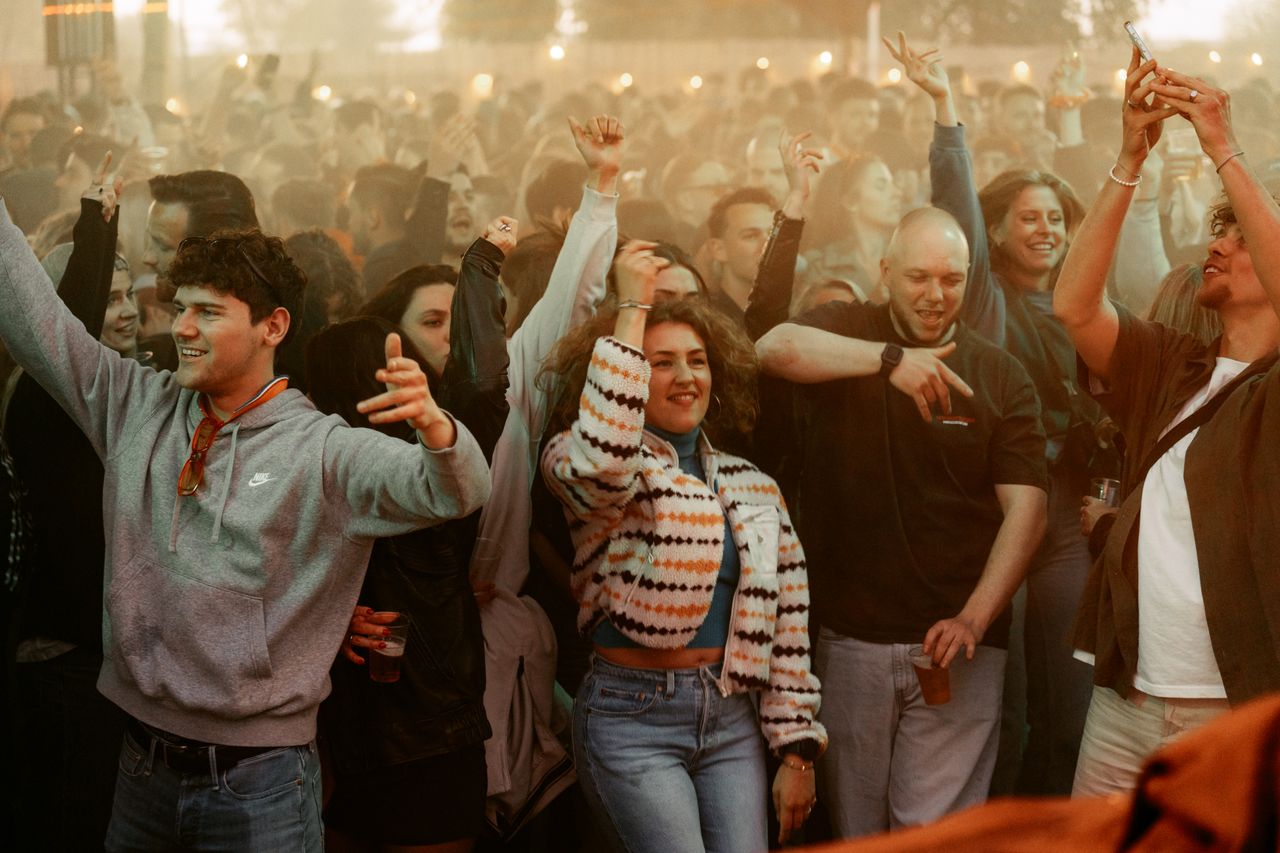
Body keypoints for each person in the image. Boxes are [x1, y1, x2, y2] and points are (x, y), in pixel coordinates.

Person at [0, 176, 491, 848]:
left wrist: (437, 429)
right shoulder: (134, 403)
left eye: (208, 312)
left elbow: (454, 492)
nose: (183, 327)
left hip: (260, 785)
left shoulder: (323, 450)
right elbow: (36, 323)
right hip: (139, 767)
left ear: (272, 326)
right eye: (181, 307)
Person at [756, 206, 1048, 838]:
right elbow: (771, 348)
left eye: (951, 279)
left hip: (957, 648)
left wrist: (976, 617)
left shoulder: (1000, 374)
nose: (935, 294)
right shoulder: (848, 330)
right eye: (918, 277)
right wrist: (891, 360)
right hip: (850, 638)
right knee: (857, 833)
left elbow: (1027, 510)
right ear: (885, 271)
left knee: (931, 837)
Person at [541, 240, 826, 853]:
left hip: (732, 720)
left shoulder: (753, 484)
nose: (685, 376)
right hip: (630, 718)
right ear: (628, 376)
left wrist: (796, 751)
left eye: (697, 361)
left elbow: (788, 626)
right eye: (661, 362)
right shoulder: (581, 458)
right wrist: (630, 310)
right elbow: (605, 461)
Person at [1053, 48, 1280, 796]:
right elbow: (1074, 306)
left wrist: (1221, 146)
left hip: (1235, 711)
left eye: (1240, 236)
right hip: (1128, 697)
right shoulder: (1176, 365)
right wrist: (1129, 158)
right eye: (1218, 230)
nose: (1216, 243)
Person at [890, 32, 1098, 797]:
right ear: (998, 231)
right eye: (1028, 217)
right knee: (1002, 713)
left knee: (1072, 702)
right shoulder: (984, 300)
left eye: (1056, 218)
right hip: (996, 513)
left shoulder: (1088, 306)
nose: (1046, 229)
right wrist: (945, 108)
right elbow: (956, 209)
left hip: (1065, 519)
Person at [310, 217, 514, 853]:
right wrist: (482, 264)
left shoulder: (436, 466)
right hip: (401, 728)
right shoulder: (322, 471)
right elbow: (484, 382)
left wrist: (481, 265)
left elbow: (479, 386)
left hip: (390, 729)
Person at [4, 156, 139, 852]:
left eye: (131, 293)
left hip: (104, 658)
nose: (128, 309)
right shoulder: (42, 398)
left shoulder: (133, 390)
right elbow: (67, 331)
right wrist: (96, 224)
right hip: (64, 660)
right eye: (108, 297)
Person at [801, 153, 902, 303]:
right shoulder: (823, 267)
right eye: (881, 186)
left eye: (893, 184)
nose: (897, 193)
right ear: (850, 201)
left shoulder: (906, 257)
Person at [346, 163, 420, 295]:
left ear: (372, 217)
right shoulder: (416, 258)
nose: (349, 224)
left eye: (352, 213)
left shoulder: (376, 274)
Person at [705, 186, 775, 319]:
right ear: (718, 249)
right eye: (751, 236)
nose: (768, 245)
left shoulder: (794, 314)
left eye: (773, 235)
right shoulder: (704, 319)